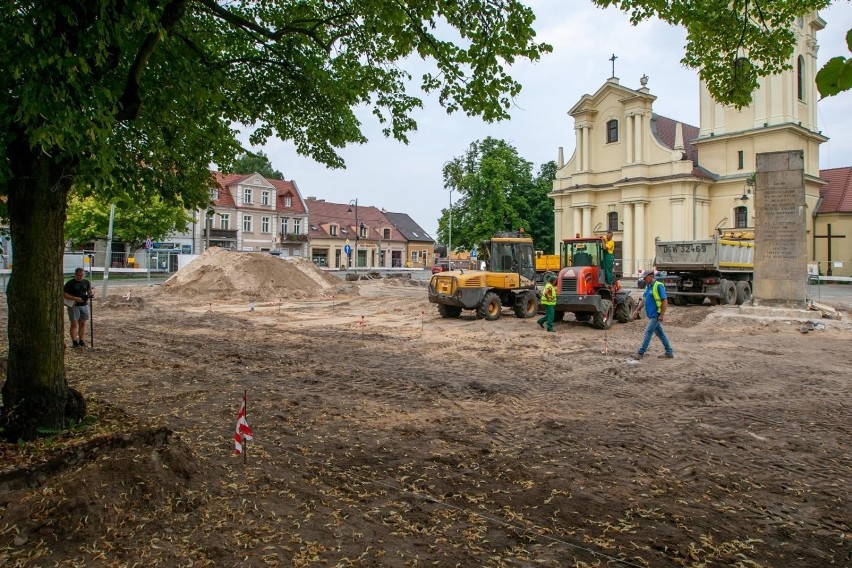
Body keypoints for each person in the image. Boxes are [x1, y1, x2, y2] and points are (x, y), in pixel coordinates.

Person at [632, 270, 673, 359]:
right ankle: (669, 352)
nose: (644, 280)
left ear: (650, 277)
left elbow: (664, 300)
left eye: (645, 278)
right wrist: (637, 310)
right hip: (651, 315)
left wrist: (661, 314)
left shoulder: (658, 286)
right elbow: (644, 299)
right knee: (660, 334)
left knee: (648, 332)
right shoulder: (648, 287)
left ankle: (640, 353)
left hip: (656, 315)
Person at [64, 268, 94, 348]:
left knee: (83, 323)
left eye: (82, 275)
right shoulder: (70, 283)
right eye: (79, 275)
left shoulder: (86, 282)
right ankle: (74, 342)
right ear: (75, 274)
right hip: (74, 306)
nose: (81, 277)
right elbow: (65, 294)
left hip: (84, 305)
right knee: (74, 323)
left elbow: (88, 291)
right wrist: (75, 298)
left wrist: (90, 293)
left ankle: (81, 340)